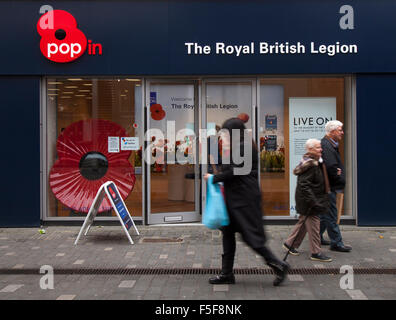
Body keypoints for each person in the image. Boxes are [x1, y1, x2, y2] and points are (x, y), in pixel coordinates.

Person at [204, 117, 289, 287]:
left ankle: (279, 265)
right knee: (228, 235)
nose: (223, 137)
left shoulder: (243, 147)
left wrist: (214, 178)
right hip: (235, 199)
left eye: (226, 133)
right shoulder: (240, 145)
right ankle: (227, 273)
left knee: (250, 237)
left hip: (243, 200)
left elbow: (235, 172)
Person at [283, 139, 332, 262]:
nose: (321, 149)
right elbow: (304, 185)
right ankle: (316, 252)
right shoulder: (311, 164)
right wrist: (313, 202)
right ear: (310, 149)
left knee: (303, 223)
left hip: (307, 199)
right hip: (309, 201)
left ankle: (290, 244)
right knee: (314, 226)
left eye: (320, 147)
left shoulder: (315, 162)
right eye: (317, 147)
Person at [320, 120, 352, 252]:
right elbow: (331, 167)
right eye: (340, 130)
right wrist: (338, 175)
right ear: (332, 131)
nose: (342, 132)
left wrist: (339, 172)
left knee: (324, 214)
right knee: (332, 214)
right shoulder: (327, 145)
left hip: (330, 185)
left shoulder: (330, 144)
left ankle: (317, 236)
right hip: (329, 187)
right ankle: (336, 242)